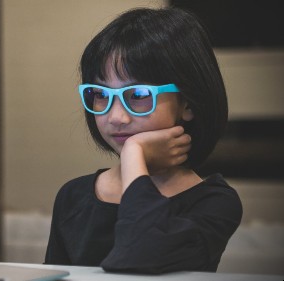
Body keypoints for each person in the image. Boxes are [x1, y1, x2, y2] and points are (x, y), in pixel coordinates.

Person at [44, 7, 243, 274]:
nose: (116, 116)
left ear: (188, 103)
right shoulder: (73, 197)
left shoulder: (215, 202)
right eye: (100, 93)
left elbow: (138, 258)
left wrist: (134, 153)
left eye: (138, 94)